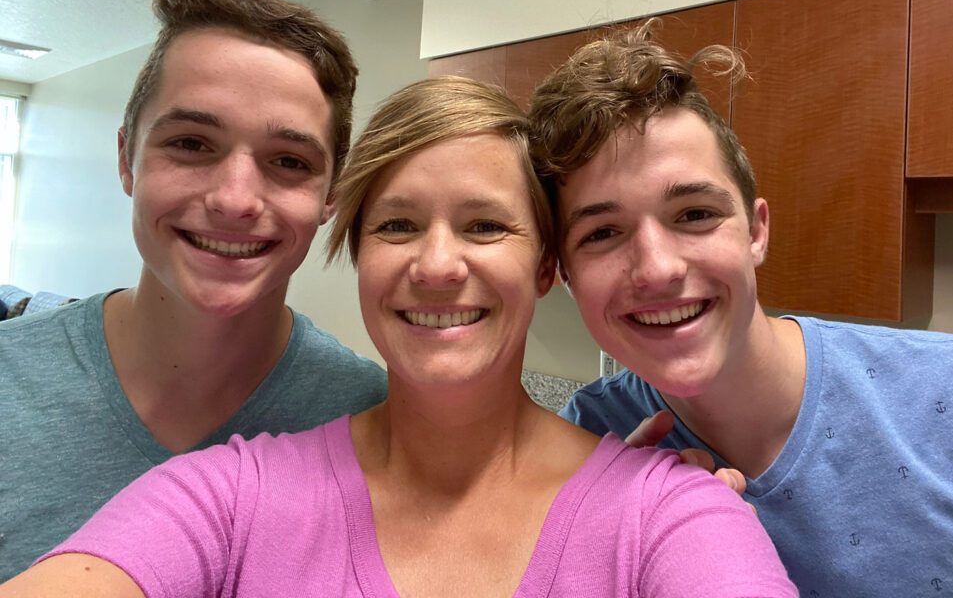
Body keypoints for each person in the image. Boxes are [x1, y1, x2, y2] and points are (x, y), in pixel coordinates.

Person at [1, 76, 797, 597]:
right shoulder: (227, 495)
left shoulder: (669, 515)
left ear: (546, 264)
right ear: (357, 254)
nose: (438, 265)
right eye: (397, 225)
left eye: (486, 225)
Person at [527, 22, 953, 597]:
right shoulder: (583, 449)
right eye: (603, 233)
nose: (657, 268)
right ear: (565, 273)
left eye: (694, 215)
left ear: (756, 231)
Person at [0, 0, 386, 580]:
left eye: (288, 161)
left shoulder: (368, 417)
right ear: (127, 159)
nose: (236, 199)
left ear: (330, 195)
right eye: (190, 144)